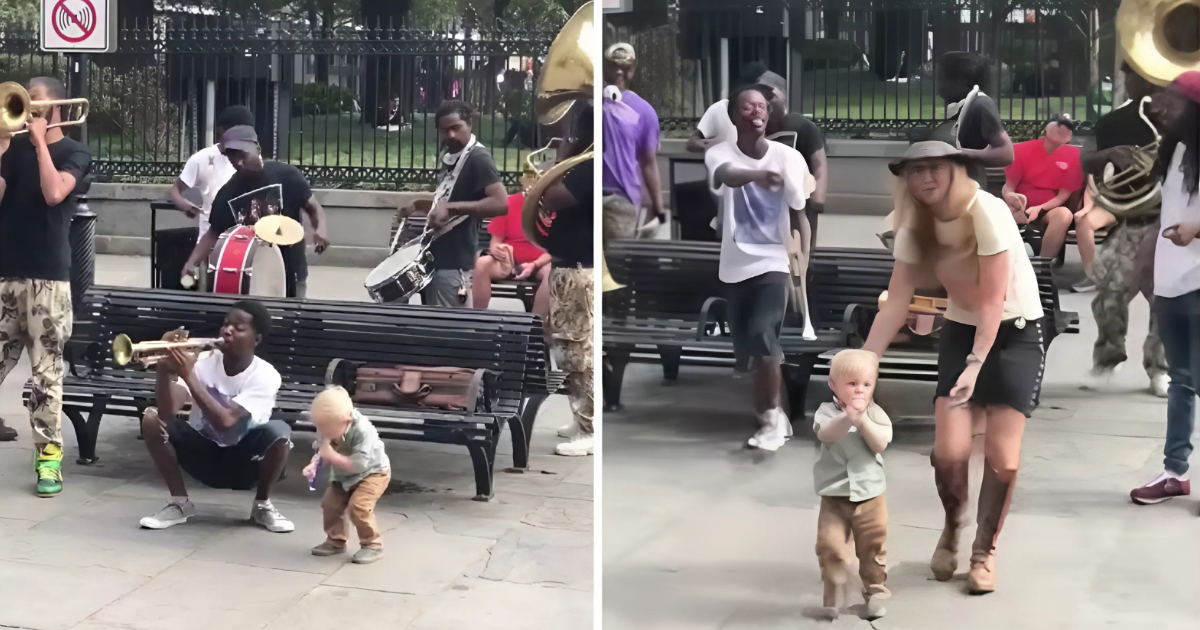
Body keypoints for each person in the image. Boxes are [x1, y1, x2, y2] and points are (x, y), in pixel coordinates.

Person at [865, 141, 1045, 594]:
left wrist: (974, 366)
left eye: (936, 169)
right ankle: (952, 527)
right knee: (949, 452)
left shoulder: (987, 212)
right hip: (962, 331)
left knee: (1003, 461)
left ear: (957, 171)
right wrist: (862, 363)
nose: (926, 179)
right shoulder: (914, 226)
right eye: (916, 171)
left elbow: (992, 299)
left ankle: (984, 553)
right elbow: (897, 300)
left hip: (1014, 331)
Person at [703, 84, 812, 452]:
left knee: (765, 334)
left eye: (763, 106)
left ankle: (770, 419)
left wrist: (803, 265)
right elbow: (728, 175)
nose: (757, 112)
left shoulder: (788, 158)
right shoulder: (719, 152)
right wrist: (757, 176)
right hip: (736, 266)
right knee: (753, 348)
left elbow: (800, 214)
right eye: (748, 107)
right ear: (734, 115)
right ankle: (774, 415)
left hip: (775, 261)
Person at [0, 77, 91, 493]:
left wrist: (39, 145)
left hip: (48, 280)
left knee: (45, 376)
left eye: (36, 104)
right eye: (25, 103)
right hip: (6, 274)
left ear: (57, 110)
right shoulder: (11, 148)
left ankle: (48, 461)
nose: (29, 110)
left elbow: (54, 194)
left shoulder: (74, 152)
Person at [138, 300, 295, 533]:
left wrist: (189, 375)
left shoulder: (265, 375)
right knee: (151, 420)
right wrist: (163, 369)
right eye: (225, 324)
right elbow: (168, 414)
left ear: (257, 339)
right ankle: (179, 504)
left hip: (246, 461)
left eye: (238, 328)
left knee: (279, 432)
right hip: (204, 456)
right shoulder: (203, 363)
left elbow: (226, 424)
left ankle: (262, 505)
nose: (227, 331)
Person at [1129, 71, 1200, 506]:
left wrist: (1196, 229)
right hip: (1173, 279)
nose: (1161, 105)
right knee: (1181, 381)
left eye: (1172, 100)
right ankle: (1175, 471)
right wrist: (1147, 255)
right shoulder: (1173, 150)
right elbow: (1171, 209)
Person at [1079, 67, 1170, 395]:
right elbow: (1085, 160)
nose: (1127, 82)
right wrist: (1108, 155)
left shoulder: (1186, 117)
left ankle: (1160, 368)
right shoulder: (1114, 122)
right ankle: (1107, 359)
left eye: (1132, 76)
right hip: (1133, 223)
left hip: (1172, 227)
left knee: (1166, 299)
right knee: (1108, 294)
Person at [181, 126, 329, 299]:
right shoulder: (227, 194)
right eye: (233, 158)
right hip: (253, 279)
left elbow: (313, 206)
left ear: (257, 149)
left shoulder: (287, 175)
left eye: (243, 155)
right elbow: (213, 233)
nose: (239, 162)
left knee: (292, 320)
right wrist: (192, 262)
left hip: (293, 269)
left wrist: (321, 229)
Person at [689, 63, 828, 237]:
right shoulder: (751, 128)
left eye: (770, 96)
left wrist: (818, 198)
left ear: (782, 95)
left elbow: (819, 165)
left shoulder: (802, 126)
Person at [533, 100, 595, 457]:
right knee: (569, 349)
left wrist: (561, 161)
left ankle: (590, 428)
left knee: (579, 349)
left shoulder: (589, 165)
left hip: (578, 269)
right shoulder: (585, 163)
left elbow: (552, 197)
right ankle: (580, 415)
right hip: (568, 265)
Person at [813, 349, 892, 621]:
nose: (860, 390)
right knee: (830, 546)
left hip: (871, 495)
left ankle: (876, 591)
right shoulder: (826, 413)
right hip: (835, 496)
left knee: (872, 547)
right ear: (833, 385)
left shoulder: (876, 413)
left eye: (866, 385)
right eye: (852, 384)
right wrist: (848, 417)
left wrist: (862, 420)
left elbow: (880, 443)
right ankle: (833, 594)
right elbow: (827, 435)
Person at [422, 100, 508, 307]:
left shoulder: (478, 158)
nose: (450, 135)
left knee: (450, 332)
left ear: (470, 123)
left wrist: (452, 208)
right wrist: (416, 206)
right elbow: (449, 198)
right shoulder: (453, 156)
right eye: (444, 131)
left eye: (456, 128)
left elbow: (501, 203)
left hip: (455, 262)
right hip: (438, 257)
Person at [305, 386, 392, 565]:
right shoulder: (327, 424)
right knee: (330, 504)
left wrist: (333, 456)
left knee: (358, 506)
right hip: (342, 474)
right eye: (321, 430)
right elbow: (323, 449)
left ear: (347, 421)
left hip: (373, 472)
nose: (325, 435)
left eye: (329, 432)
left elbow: (359, 464)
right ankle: (336, 540)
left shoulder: (364, 431)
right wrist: (315, 463)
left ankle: (372, 544)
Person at [602, 43, 665, 238]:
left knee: (613, 265)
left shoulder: (645, 112)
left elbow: (648, 162)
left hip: (620, 201)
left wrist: (659, 208)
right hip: (585, 195)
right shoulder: (589, 103)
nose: (619, 71)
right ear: (604, 66)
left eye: (626, 67)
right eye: (613, 65)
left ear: (633, 69)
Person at [1002, 114, 1083, 259]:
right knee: (1005, 211)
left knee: (1064, 214)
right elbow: (1009, 187)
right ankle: (1009, 259)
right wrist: (1013, 200)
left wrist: (1040, 208)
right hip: (1021, 205)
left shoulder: (1073, 156)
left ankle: (1044, 263)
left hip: (1048, 210)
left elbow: (1062, 196)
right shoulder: (1023, 150)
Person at [928, 52, 1014, 189]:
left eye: (942, 78)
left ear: (960, 80)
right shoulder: (961, 105)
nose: (938, 85)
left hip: (969, 192)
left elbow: (1006, 153)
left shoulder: (980, 104)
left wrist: (960, 154)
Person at [170, 106, 253, 246]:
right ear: (222, 131)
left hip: (245, 239)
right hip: (210, 242)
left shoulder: (253, 159)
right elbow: (175, 190)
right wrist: (184, 204)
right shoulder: (201, 159)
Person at [472, 172, 550, 318]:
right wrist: (497, 251)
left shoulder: (555, 206)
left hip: (541, 262)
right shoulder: (511, 202)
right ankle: (478, 318)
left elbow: (556, 250)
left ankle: (535, 325)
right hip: (510, 259)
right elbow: (495, 241)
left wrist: (534, 264)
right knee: (482, 263)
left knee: (552, 272)